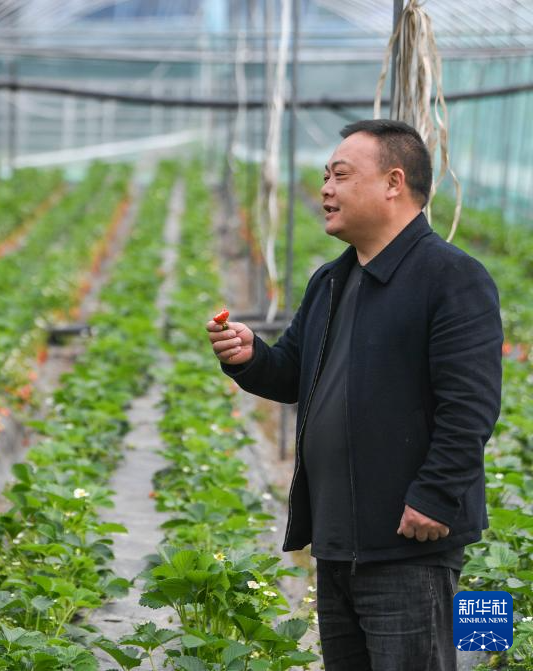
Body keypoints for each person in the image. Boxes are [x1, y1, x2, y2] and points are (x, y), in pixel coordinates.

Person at [207, 119, 502, 671]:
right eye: (325, 176)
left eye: (340, 176)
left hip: (407, 542)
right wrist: (250, 357)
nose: (325, 189)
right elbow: (292, 373)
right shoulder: (332, 280)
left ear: (394, 183)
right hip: (338, 540)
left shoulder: (451, 278)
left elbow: (471, 407)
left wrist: (435, 496)